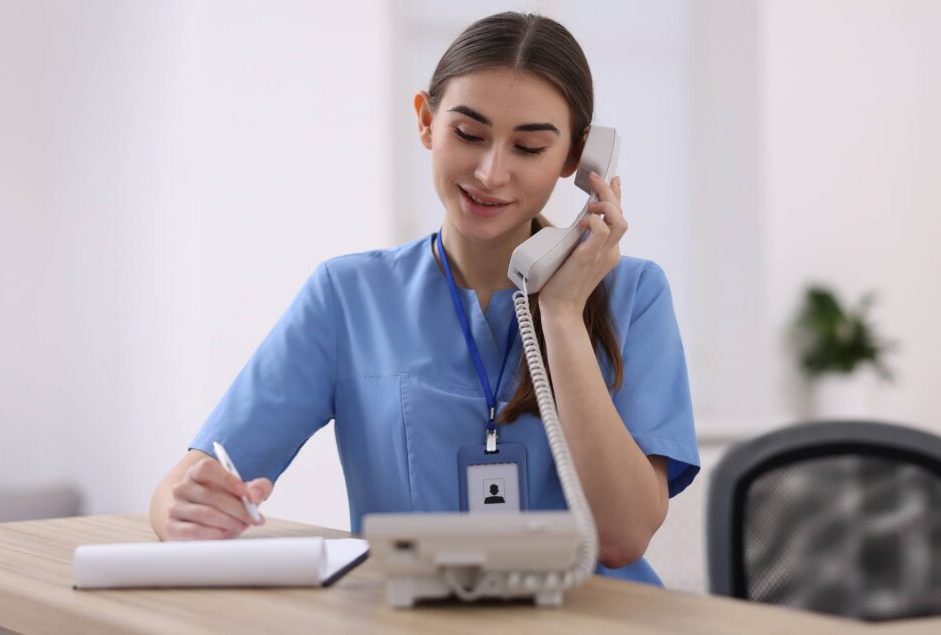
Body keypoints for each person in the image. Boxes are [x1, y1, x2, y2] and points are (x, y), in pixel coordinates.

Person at [149, 11, 699, 586]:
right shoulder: (348, 297)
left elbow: (620, 538)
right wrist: (187, 510)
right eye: (468, 134)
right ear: (426, 121)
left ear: (577, 159)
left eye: (530, 147)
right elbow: (184, 487)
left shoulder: (635, 294)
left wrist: (560, 315)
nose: (490, 173)